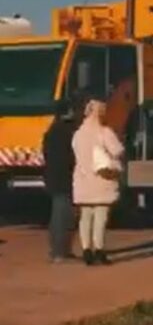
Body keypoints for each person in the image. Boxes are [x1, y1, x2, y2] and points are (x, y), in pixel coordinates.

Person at [72, 97, 124, 266]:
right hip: (102, 179)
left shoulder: (78, 134)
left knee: (85, 216)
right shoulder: (104, 132)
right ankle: (99, 250)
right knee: (100, 216)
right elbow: (118, 151)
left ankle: (86, 249)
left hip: (83, 178)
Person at [42, 105, 77, 263]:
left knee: (58, 214)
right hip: (64, 178)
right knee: (63, 216)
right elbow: (71, 156)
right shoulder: (68, 132)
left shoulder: (50, 133)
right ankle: (60, 252)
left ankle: (58, 251)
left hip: (52, 177)